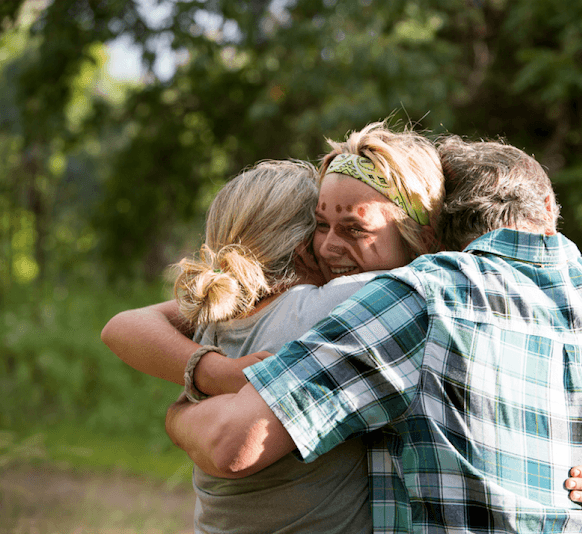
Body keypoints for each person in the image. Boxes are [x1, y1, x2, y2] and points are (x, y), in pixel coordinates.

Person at [164, 135, 582, 533]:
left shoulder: (421, 297)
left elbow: (232, 443)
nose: (326, 247)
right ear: (547, 204)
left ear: (432, 228)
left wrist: (182, 407)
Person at [101, 122, 447, 533]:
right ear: (303, 246)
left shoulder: (219, 311)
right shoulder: (342, 303)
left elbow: (121, 325)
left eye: (353, 229)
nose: (330, 246)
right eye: (321, 226)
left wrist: (193, 395)